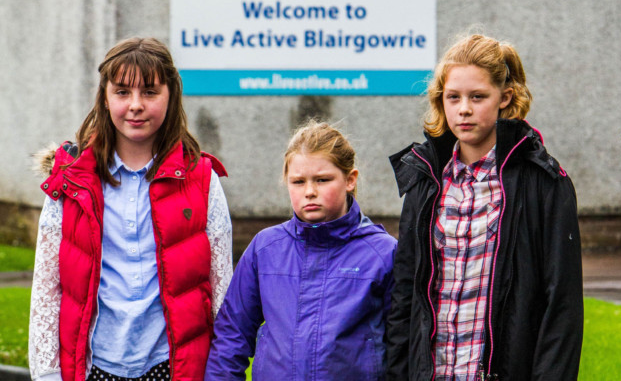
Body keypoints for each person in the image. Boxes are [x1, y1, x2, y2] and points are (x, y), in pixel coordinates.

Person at [28, 37, 233, 381]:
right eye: (122, 91)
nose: (135, 104)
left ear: (171, 96)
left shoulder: (201, 180)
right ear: (105, 98)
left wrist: (223, 371)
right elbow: (47, 288)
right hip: (95, 366)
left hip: (173, 366)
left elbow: (223, 286)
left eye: (150, 92)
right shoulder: (71, 180)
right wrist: (47, 373)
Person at [386, 34, 583, 380]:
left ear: (505, 98)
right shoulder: (425, 180)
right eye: (453, 97)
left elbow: (562, 308)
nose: (463, 109)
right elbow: (405, 296)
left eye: (478, 97)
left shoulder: (544, 183)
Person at [204, 121, 396, 381]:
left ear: (350, 180)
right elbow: (231, 336)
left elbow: (403, 348)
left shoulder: (383, 253)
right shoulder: (265, 248)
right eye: (298, 182)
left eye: (322, 180)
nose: (309, 192)